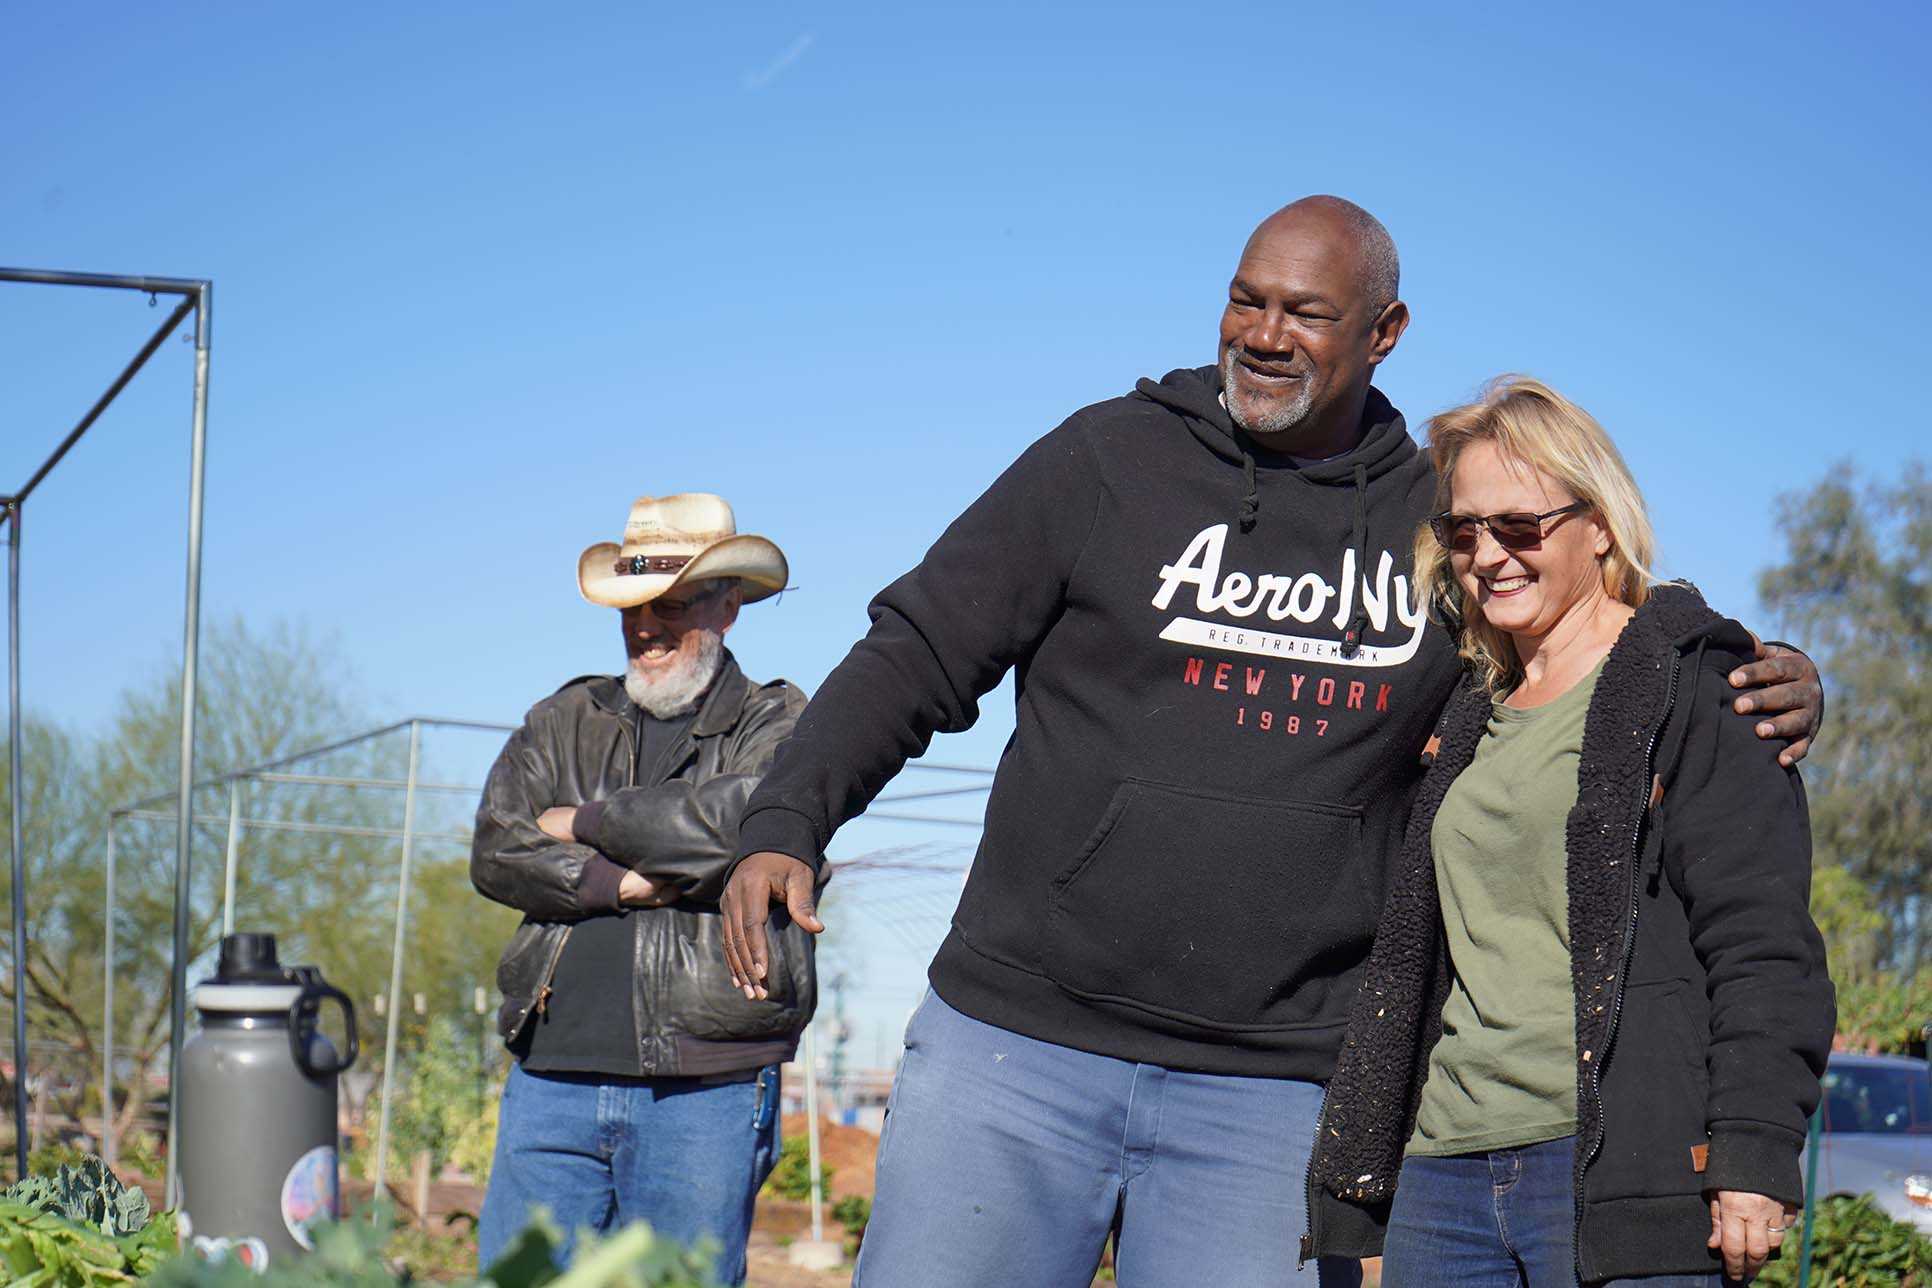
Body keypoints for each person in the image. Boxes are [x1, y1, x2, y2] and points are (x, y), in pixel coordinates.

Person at [719, 198, 1824, 1287]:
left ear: (1384, 334)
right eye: (1246, 302)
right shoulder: (1107, 460)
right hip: (1018, 1048)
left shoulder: (1436, 519)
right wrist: (788, 817)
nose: (1263, 334)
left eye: (1306, 312)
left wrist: (1744, 670)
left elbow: (1587, 632)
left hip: (1274, 1094)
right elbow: (917, 648)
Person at [1306, 378, 1834, 1286]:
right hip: (1445, 1168)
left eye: (1519, 526)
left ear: (1598, 523)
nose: (1488, 555)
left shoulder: (1698, 691)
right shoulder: (1467, 707)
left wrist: (1753, 1148)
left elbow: (1762, 939)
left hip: (1616, 1167)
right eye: (1465, 531)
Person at [470, 493, 812, 1283]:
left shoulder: (779, 721)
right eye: (632, 607)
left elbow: (739, 827)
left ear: (730, 606)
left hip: (706, 1089)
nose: (645, 626)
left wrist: (580, 818)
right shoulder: (563, 718)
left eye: (672, 603)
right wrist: (619, 882)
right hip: (549, 1077)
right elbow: (495, 847)